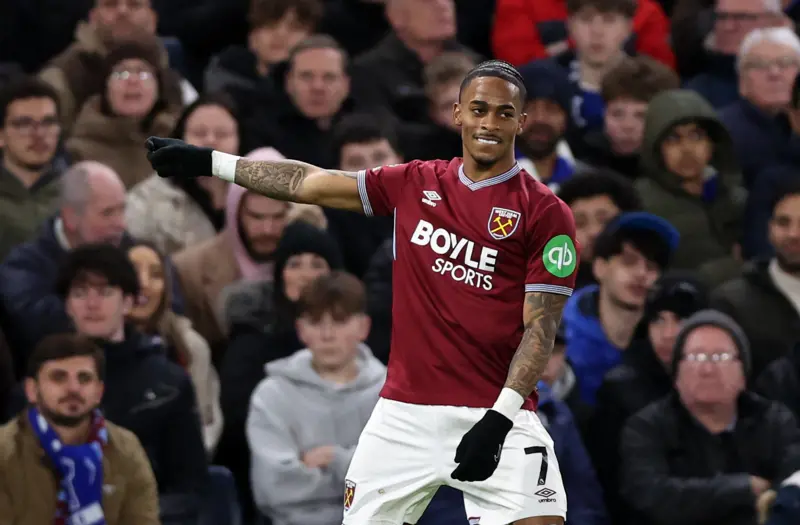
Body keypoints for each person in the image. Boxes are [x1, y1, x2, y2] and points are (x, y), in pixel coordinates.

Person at [146, 59, 579, 525]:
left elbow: (541, 329)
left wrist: (499, 418)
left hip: (498, 411)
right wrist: (212, 162)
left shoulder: (546, 213)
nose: (489, 123)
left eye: (503, 113)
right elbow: (308, 182)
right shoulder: (415, 182)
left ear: (521, 122)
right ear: (458, 114)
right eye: (478, 109)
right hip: (403, 416)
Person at [0, 333, 159, 525]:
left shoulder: (126, 447)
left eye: (84, 378)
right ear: (32, 390)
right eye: (58, 377)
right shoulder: (4, 451)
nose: (73, 388)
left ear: (99, 392)